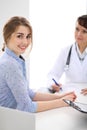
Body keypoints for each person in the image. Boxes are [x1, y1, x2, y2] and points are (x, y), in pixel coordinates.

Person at [0, 16, 76, 113]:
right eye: (19, 36)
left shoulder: (14, 59)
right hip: (11, 120)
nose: (25, 42)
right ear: (7, 36)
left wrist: (60, 97)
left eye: (28, 36)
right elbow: (27, 107)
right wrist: (62, 102)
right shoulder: (9, 64)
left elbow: (29, 93)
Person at [47, 14, 87, 95]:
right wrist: (53, 84)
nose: (79, 34)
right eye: (77, 29)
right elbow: (53, 74)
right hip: (70, 95)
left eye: (84, 31)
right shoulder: (65, 51)